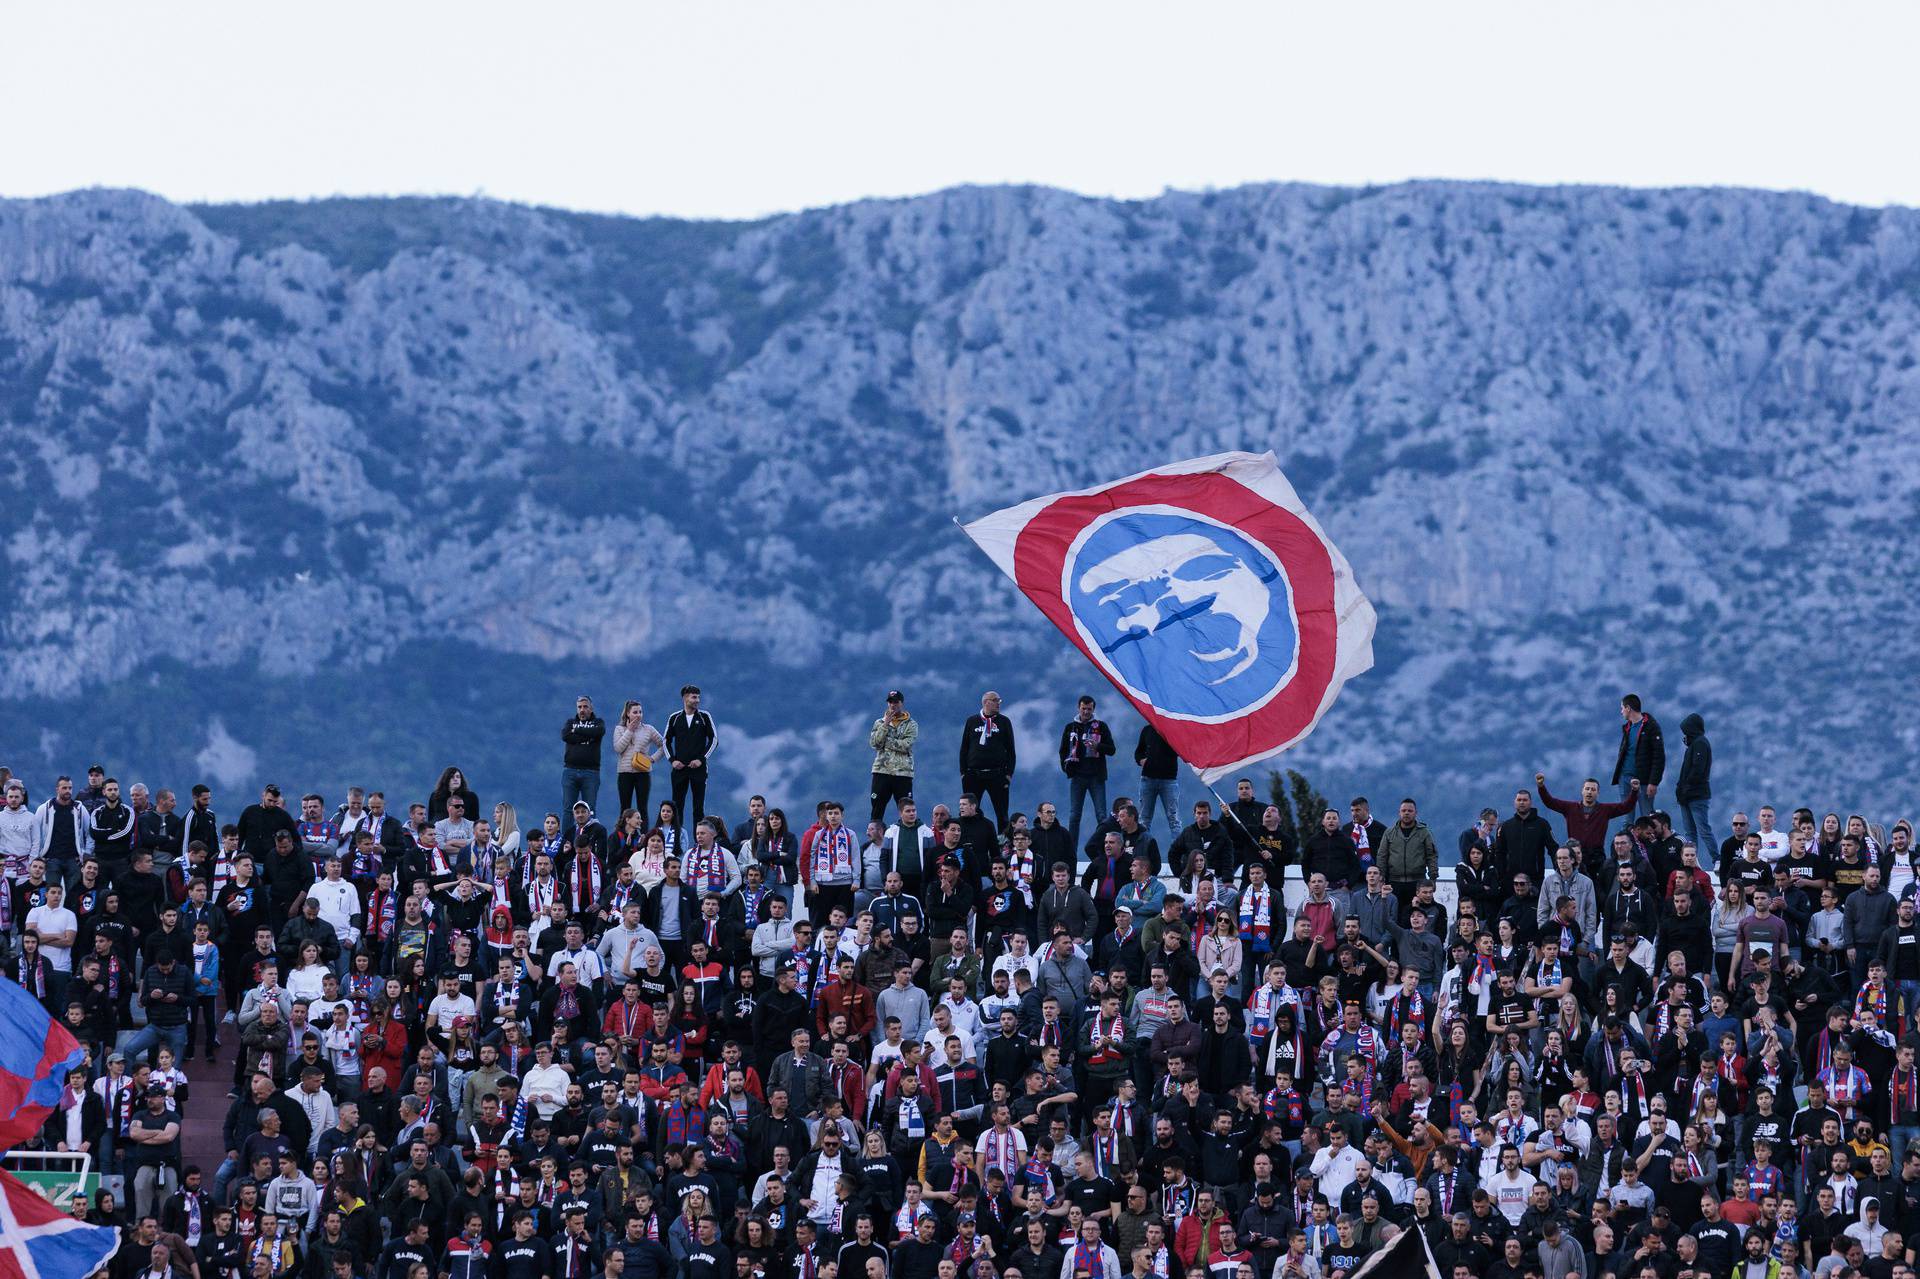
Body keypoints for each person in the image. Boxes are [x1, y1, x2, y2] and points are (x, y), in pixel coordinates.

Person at [1059, 697, 1116, 854]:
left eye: (1089, 709)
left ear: (1093, 709)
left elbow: (1112, 749)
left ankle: (1105, 850)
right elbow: (1063, 750)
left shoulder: (1101, 726)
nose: (1086, 712)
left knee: (1102, 816)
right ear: (1078, 708)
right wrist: (1067, 768)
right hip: (1077, 777)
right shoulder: (1070, 727)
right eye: (1083, 708)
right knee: (1074, 816)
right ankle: (1071, 852)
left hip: (1096, 777)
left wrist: (1097, 746)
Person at [959, 691, 1017, 833]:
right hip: (973, 775)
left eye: (999, 700)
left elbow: (1011, 750)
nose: (998, 703)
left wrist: (1008, 774)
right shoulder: (972, 721)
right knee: (969, 812)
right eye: (995, 700)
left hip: (997, 774)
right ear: (986, 702)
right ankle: (970, 841)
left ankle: (1004, 846)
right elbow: (964, 748)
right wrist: (963, 773)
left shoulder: (1004, 722)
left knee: (1002, 814)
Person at [665, 685, 719, 832]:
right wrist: (672, 760)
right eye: (694, 697)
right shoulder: (675, 718)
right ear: (685, 698)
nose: (697, 700)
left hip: (699, 770)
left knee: (698, 807)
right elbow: (666, 741)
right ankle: (677, 840)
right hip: (679, 769)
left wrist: (701, 759)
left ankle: (699, 841)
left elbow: (714, 740)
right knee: (677, 806)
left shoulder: (704, 716)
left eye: (698, 697)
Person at [870, 691, 919, 826]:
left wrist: (887, 742)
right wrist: (885, 725)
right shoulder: (879, 722)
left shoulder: (911, 724)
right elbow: (874, 743)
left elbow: (906, 745)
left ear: (901, 703)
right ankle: (875, 837)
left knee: (906, 808)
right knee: (877, 807)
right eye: (890, 702)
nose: (893, 705)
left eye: (896, 702)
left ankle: (907, 836)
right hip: (881, 770)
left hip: (903, 772)